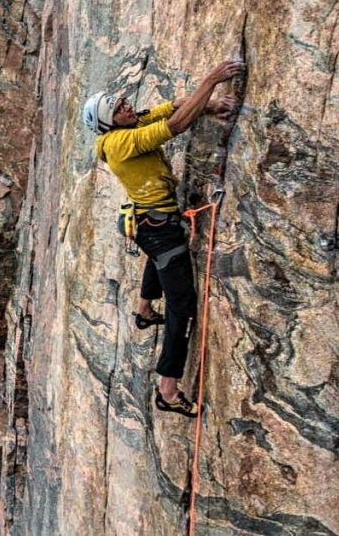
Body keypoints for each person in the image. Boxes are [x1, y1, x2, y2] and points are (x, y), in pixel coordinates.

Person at [82, 59, 244, 417]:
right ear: (110, 123)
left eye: (124, 103)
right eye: (119, 109)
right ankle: (167, 390)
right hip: (159, 230)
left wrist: (209, 105)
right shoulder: (121, 142)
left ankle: (144, 311)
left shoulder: (129, 124)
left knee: (160, 260)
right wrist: (211, 80)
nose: (128, 108)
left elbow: (171, 108)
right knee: (181, 304)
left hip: (148, 224)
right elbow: (177, 124)